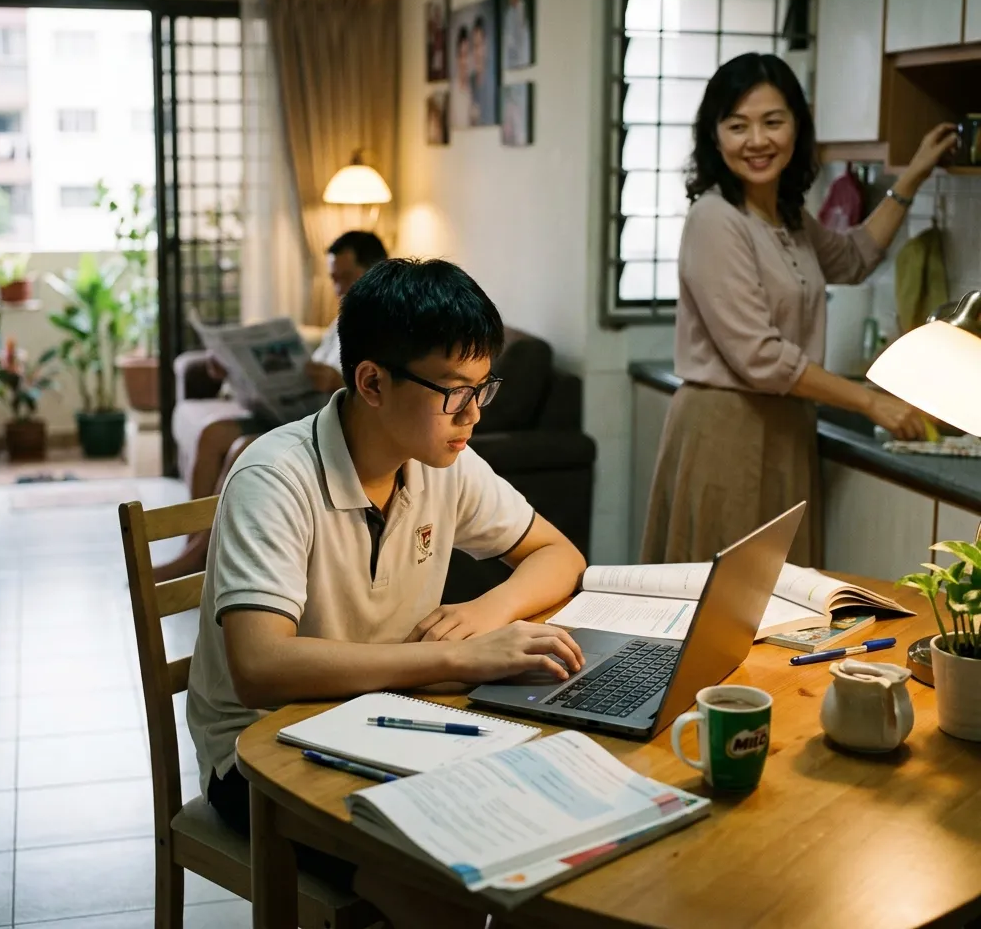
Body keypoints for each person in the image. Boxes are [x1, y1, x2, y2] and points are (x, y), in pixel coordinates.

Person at [187, 257, 586, 928]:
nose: (472, 417)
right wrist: (459, 659)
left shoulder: (442, 462)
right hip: (261, 752)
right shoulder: (276, 476)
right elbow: (260, 669)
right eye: (455, 393)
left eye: (483, 390)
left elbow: (558, 554)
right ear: (371, 382)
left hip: (383, 716)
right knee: (446, 891)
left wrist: (485, 613)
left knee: (542, 842)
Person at [641, 53, 957, 569]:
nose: (757, 140)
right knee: (724, 601)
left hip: (785, 426)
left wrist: (913, 176)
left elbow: (854, 258)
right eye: (738, 125)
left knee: (778, 600)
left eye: (772, 121)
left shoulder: (788, 218)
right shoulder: (715, 218)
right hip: (725, 428)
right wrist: (871, 402)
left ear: (797, 127)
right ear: (715, 137)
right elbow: (760, 357)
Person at [152, 231, 387, 582]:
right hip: (294, 412)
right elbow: (310, 366)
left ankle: (205, 557)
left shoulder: (387, 324)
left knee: (241, 449)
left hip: (327, 423)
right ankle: (192, 547)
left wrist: (337, 382)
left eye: (344, 278)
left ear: (373, 271)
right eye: (333, 278)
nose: (337, 288)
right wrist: (233, 368)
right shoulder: (343, 319)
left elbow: (384, 390)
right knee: (212, 434)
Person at [470, 15, 494, 126]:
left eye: (480, 45)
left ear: (486, 45)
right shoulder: (471, 81)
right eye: (474, 46)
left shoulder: (492, 81)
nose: (477, 52)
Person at [450, 26, 473, 129]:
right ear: (457, 59)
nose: (464, 62)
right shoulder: (452, 93)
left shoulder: (475, 90)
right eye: (461, 55)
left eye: (467, 55)